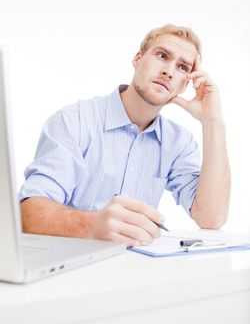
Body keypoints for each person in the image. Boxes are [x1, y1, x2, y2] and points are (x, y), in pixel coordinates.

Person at [20, 24, 231, 247]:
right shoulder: (74, 121)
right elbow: (28, 213)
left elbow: (211, 218)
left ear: (185, 84)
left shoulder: (178, 142)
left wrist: (213, 122)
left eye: (182, 67)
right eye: (162, 55)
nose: (169, 71)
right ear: (138, 59)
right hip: (67, 268)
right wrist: (92, 226)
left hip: (135, 272)